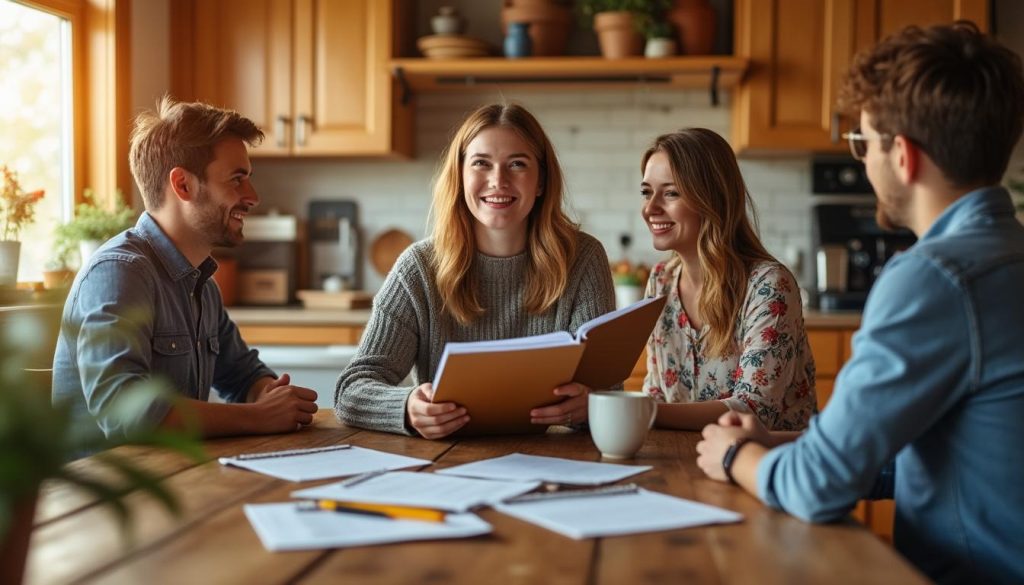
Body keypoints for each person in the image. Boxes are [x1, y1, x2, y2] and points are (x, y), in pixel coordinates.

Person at [695, 22, 1024, 585]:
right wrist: (774, 442)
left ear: (903, 156)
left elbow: (820, 486)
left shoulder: (934, 278)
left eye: (863, 143)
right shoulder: (1007, 254)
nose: (863, 162)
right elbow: (932, 457)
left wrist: (732, 456)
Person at [335, 103, 616, 439]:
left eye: (517, 164)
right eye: (481, 163)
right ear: (461, 175)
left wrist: (590, 405)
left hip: (554, 460)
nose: (498, 181)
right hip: (442, 465)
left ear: (540, 181)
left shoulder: (582, 258)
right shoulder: (418, 268)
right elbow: (351, 391)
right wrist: (407, 407)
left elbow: (608, 390)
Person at [53, 97, 318, 444]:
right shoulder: (120, 272)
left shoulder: (203, 285)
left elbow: (241, 375)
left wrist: (269, 394)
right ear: (183, 185)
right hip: (111, 493)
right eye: (237, 179)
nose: (252, 196)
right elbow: (123, 412)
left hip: (177, 480)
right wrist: (257, 416)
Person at [639, 128, 816, 432]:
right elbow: (657, 392)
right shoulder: (661, 281)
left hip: (765, 467)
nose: (650, 208)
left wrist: (641, 411)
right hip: (686, 460)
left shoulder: (769, 286)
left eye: (671, 193)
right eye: (646, 191)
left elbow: (753, 410)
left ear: (712, 198)